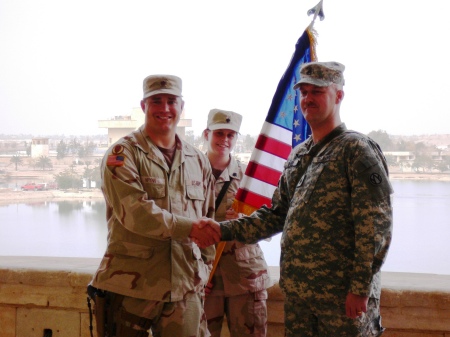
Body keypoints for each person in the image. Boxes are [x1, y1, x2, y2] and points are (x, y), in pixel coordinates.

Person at [194, 61, 393, 337]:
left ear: (338, 96)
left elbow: (375, 228)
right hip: (301, 297)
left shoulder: (356, 150)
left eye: (318, 92)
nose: (308, 99)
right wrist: (222, 230)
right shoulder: (299, 154)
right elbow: (276, 214)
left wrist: (359, 289)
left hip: (340, 301)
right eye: (304, 92)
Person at [87, 74, 219, 337]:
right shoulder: (122, 155)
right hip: (133, 287)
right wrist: (190, 229)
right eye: (156, 101)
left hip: (185, 288)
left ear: (182, 106)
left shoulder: (198, 160)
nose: (165, 109)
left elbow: (208, 217)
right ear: (144, 106)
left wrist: (204, 269)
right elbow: (136, 213)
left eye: (171, 101)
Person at [202, 109, 273, 337]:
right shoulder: (188, 175)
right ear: (206, 134)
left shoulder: (248, 179)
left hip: (245, 276)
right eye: (219, 133)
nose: (225, 140)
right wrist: (193, 272)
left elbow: (270, 225)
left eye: (231, 135)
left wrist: (244, 221)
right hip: (206, 276)